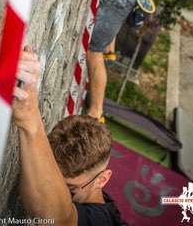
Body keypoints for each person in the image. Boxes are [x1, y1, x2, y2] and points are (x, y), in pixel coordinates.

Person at [13, 48, 127, 225]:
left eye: (70, 189)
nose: (56, 189)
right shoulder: (87, 189)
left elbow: (61, 220)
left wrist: (29, 118)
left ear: (102, 179)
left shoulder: (102, 221)